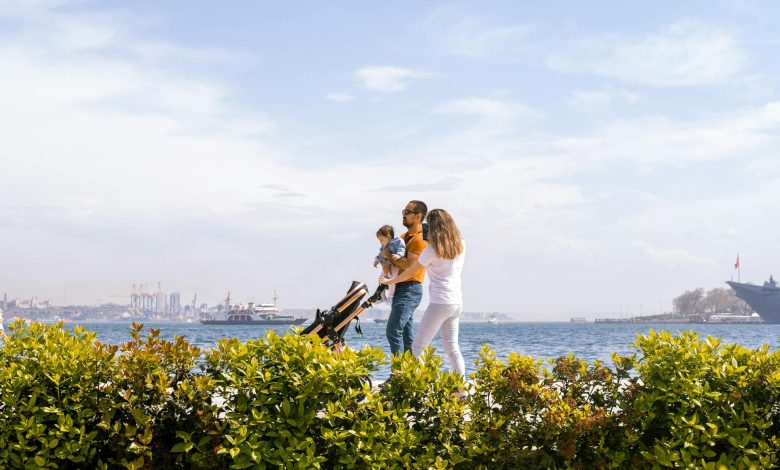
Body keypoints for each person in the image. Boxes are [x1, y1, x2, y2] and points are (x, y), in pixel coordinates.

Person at [381, 208, 466, 377]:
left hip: (440, 303)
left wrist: (389, 281)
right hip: (456, 302)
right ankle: (460, 391)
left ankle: (419, 386)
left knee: (418, 347)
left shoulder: (432, 250)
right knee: (452, 349)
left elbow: (411, 271)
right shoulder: (461, 244)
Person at [383, 200, 428, 355]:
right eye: (404, 211)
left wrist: (389, 255)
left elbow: (409, 266)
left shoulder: (419, 240)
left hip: (410, 288)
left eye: (407, 212)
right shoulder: (403, 237)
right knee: (407, 335)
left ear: (418, 216)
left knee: (393, 330)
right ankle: (410, 374)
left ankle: (398, 374)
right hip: (400, 287)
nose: (403, 215)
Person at [373, 225, 405, 302]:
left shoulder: (397, 241)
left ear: (388, 237)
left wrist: (398, 255)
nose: (380, 242)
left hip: (394, 266)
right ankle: (381, 295)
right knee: (380, 279)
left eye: (381, 240)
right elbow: (381, 254)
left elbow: (401, 248)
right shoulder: (384, 245)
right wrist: (377, 260)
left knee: (392, 279)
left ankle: (391, 296)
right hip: (387, 265)